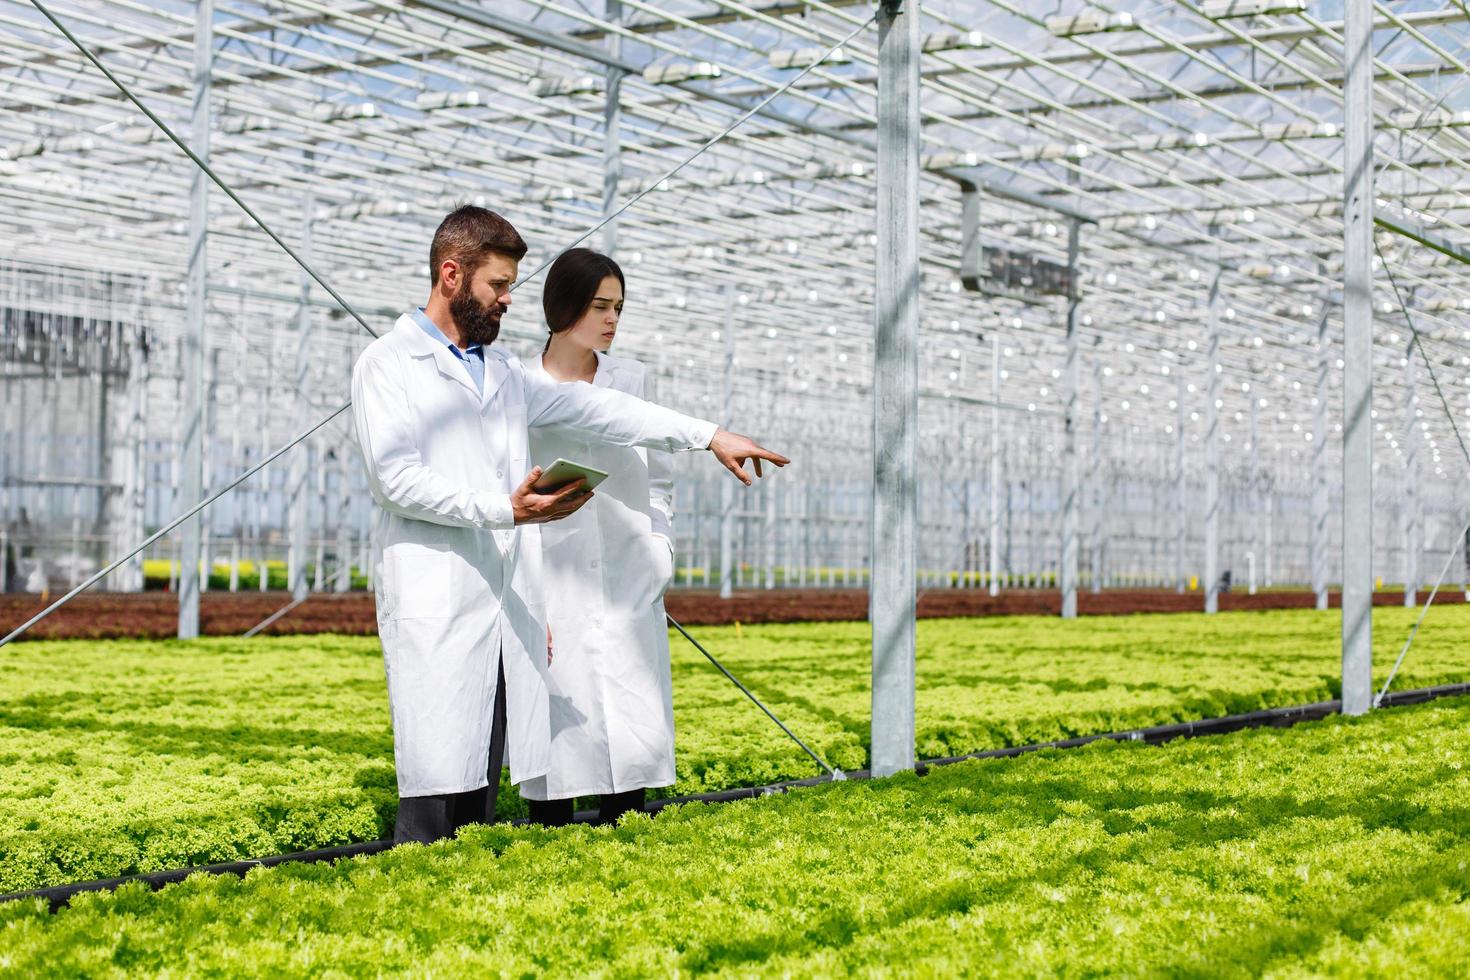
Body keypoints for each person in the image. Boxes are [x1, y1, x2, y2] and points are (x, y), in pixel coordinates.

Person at [351, 206, 787, 844]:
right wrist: (508, 508)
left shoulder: (501, 373)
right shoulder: (388, 364)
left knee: (482, 784)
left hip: (503, 598)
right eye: (497, 286)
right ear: (451, 275)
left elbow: (599, 410)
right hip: (438, 593)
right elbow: (396, 479)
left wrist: (709, 436)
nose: (506, 301)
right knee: (435, 786)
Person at [519, 249, 678, 826]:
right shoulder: (519, 385)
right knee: (559, 730)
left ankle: (628, 832)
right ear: (562, 308)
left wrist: (660, 549)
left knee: (631, 728)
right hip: (552, 573)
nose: (612, 320)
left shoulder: (629, 379)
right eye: (599, 306)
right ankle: (551, 839)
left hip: (627, 570)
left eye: (618, 307)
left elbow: (659, 478)